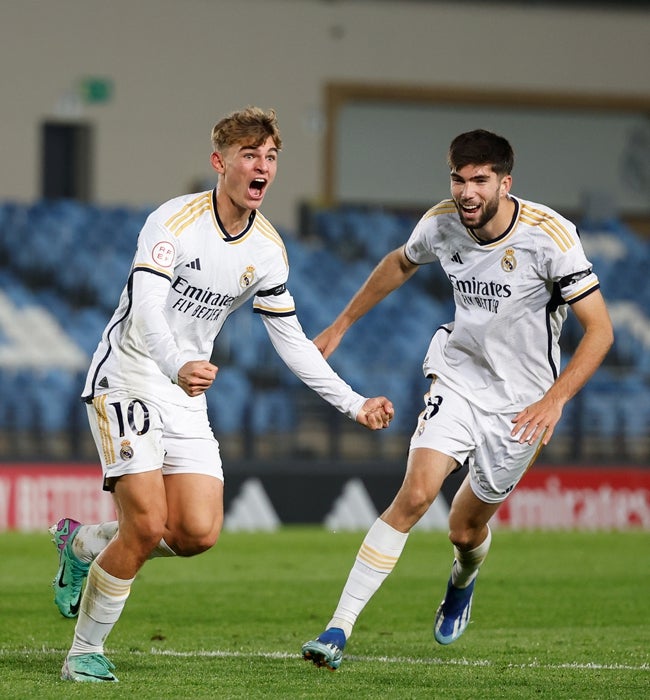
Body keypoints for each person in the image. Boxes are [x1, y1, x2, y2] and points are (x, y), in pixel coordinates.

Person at [49, 106, 394, 683]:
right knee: (145, 524)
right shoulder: (172, 223)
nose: (262, 168)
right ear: (221, 163)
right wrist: (177, 362)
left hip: (185, 393)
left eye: (271, 157)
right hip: (130, 376)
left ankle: (84, 545)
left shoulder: (266, 249)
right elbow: (147, 313)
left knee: (197, 533)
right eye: (250, 156)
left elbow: (292, 342)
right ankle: (83, 651)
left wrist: (353, 402)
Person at [301, 129, 614, 670]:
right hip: (458, 378)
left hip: (523, 405)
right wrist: (340, 326)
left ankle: (462, 581)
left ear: (504, 182)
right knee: (417, 495)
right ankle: (337, 629)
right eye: (458, 178)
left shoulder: (550, 237)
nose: (466, 192)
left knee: (464, 529)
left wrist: (555, 400)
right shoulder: (442, 222)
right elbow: (400, 262)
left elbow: (601, 331)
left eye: (479, 180)